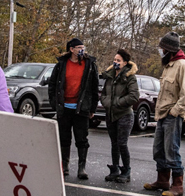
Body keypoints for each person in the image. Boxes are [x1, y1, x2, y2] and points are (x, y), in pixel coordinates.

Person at [144, 31, 185, 196]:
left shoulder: (182, 66)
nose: (160, 51)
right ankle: (162, 180)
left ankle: (177, 185)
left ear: (168, 50)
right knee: (159, 150)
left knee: (171, 150)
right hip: (162, 114)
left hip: (173, 115)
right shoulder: (168, 65)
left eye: (162, 48)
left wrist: (175, 112)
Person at [48, 38, 99, 180]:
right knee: (64, 138)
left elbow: (94, 87)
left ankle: (82, 168)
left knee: (82, 139)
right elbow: (53, 85)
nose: (82, 50)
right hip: (64, 108)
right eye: (79, 47)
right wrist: (55, 103)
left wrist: (92, 107)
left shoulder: (90, 65)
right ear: (71, 49)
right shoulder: (61, 64)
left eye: (83, 47)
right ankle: (64, 165)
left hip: (81, 108)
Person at [100, 49, 139, 183]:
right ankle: (115, 169)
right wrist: (107, 103)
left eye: (118, 60)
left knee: (122, 143)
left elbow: (134, 96)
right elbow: (104, 94)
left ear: (125, 63)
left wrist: (117, 103)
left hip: (124, 114)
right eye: (115, 60)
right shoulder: (110, 76)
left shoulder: (130, 77)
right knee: (114, 143)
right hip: (111, 114)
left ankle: (126, 170)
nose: (115, 62)